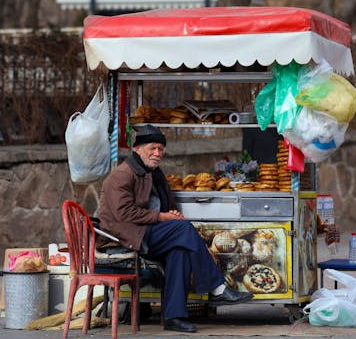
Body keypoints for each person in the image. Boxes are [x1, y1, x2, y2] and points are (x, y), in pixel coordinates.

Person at [97, 124, 253, 333]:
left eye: (160, 149)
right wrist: (163, 217)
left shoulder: (153, 172)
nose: (157, 153)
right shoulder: (122, 175)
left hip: (146, 231)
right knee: (183, 230)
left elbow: (167, 203)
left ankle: (174, 317)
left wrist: (173, 214)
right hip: (125, 236)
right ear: (137, 149)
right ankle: (218, 287)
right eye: (152, 148)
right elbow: (124, 214)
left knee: (179, 251)